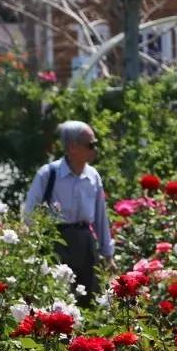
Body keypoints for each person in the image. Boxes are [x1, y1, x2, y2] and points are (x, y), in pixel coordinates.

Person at [22, 120, 113, 303]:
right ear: (72, 147)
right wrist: (38, 246)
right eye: (91, 145)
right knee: (59, 297)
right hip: (57, 241)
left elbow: (100, 217)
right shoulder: (48, 174)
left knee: (89, 297)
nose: (95, 149)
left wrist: (107, 253)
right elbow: (29, 214)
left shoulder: (93, 175)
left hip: (85, 242)